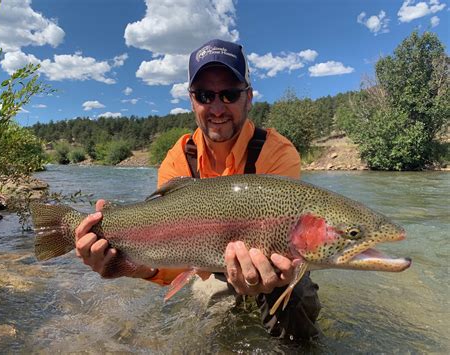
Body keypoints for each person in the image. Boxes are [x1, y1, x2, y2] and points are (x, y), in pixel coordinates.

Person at [74, 39, 321, 340]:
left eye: (229, 94)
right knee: (213, 328)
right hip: (206, 266)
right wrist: (126, 265)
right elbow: (171, 254)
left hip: (272, 264)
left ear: (249, 97)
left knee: (297, 302)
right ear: (192, 101)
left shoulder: (278, 152)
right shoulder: (178, 160)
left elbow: (294, 239)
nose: (217, 108)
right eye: (205, 95)